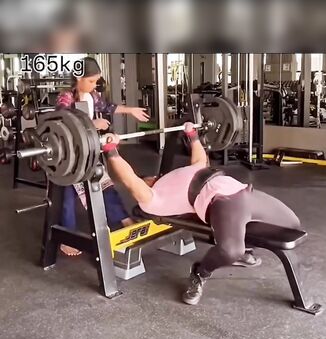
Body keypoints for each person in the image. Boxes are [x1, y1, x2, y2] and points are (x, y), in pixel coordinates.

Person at [103, 123, 301, 306]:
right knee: (230, 250)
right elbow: (129, 179)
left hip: (244, 191)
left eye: (151, 176)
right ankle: (200, 272)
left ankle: (243, 246)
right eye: (145, 179)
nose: (149, 178)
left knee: (292, 224)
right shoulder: (152, 199)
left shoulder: (179, 173)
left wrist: (193, 135)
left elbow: (199, 160)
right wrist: (112, 151)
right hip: (221, 202)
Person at [56, 56, 150, 256]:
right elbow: (64, 123)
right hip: (68, 157)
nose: (94, 85)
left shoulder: (92, 96)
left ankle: (124, 220)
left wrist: (130, 110)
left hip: (88, 152)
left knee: (103, 184)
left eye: (96, 81)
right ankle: (66, 238)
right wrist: (93, 124)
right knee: (67, 196)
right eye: (90, 81)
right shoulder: (66, 98)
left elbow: (108, 107)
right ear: (78, 77)